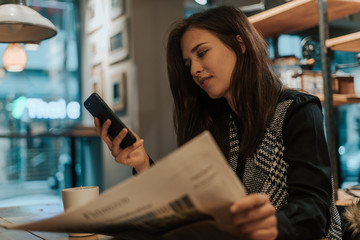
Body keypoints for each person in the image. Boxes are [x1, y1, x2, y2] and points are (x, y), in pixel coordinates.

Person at [94, 6, 342, 240]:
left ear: (240, 43)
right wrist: (143, 164)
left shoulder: (297, 110)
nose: (194, 70)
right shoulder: (217, 122)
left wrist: (274, 224)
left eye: (202, 53)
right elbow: (190, 204)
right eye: (188, 63)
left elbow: (314, 209)